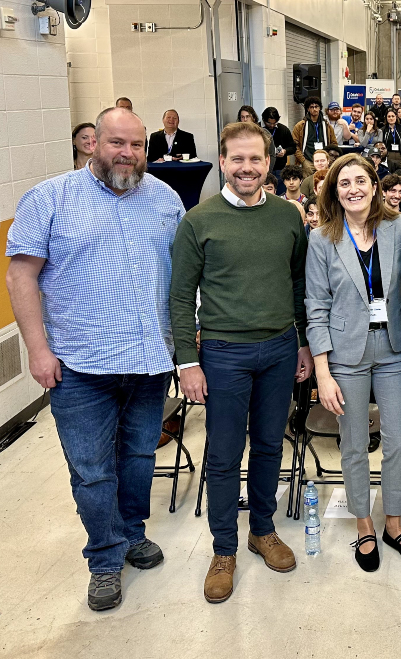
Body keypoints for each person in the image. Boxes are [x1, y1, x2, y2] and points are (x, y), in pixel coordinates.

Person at [5, 106, 184, 611]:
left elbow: (183, 276)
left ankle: (131, 533)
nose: (128, 154)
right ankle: (105, 558)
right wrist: (37, 350)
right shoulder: (50, 198)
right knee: (91, 470)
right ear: (93, 143)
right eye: (117, 143)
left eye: (137, 145)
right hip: (79, 365)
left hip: (149, 361)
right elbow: (20, 276)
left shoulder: (166, 199)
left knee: (139, 457)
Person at [171, 121, 312, 604]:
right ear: (223, 162)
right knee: (225, 453)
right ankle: (224, 549)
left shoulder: (288, 216)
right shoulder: (199, 221)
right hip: (223, 353)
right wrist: (187, 362)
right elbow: (179, 297)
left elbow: (298, 284)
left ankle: (263, 530)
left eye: (256, 159)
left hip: (279, 349)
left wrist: (302, 342)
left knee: (270, 444)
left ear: (269, 163)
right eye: (238, 159)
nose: (247, 167)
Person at [305, 153, 401, 572]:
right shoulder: (322, 238)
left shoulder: (399, 227)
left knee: (397, 440)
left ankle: (393, 522)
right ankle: (364, 525)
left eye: (360, 181)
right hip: (345, 353)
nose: (353, 189)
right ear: (333, 192)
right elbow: (316, 306)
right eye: (344, 183)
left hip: (395, 347)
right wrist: (322, 371)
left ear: (375, 187)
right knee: (354, 442)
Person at [293, 96, 336, 173]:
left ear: (320, 108)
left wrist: (329, 159)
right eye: (312, 107)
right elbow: (295, 145)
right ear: (308, 109)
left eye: (316, 106)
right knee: (308, 180)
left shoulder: (327, 126)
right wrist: (303, 161)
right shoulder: (300, 126)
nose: (314, 109)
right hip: (307, 160)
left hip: (324, 161)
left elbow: (334, 144)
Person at [262, 107, 294, 180]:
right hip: (263, 167)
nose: (272, 125)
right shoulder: (258, 129)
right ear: (264, 120)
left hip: (279, 168)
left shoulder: (283, 129)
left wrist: (285, 151)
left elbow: (293, 147)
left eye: (274, 123)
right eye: (269, 123)